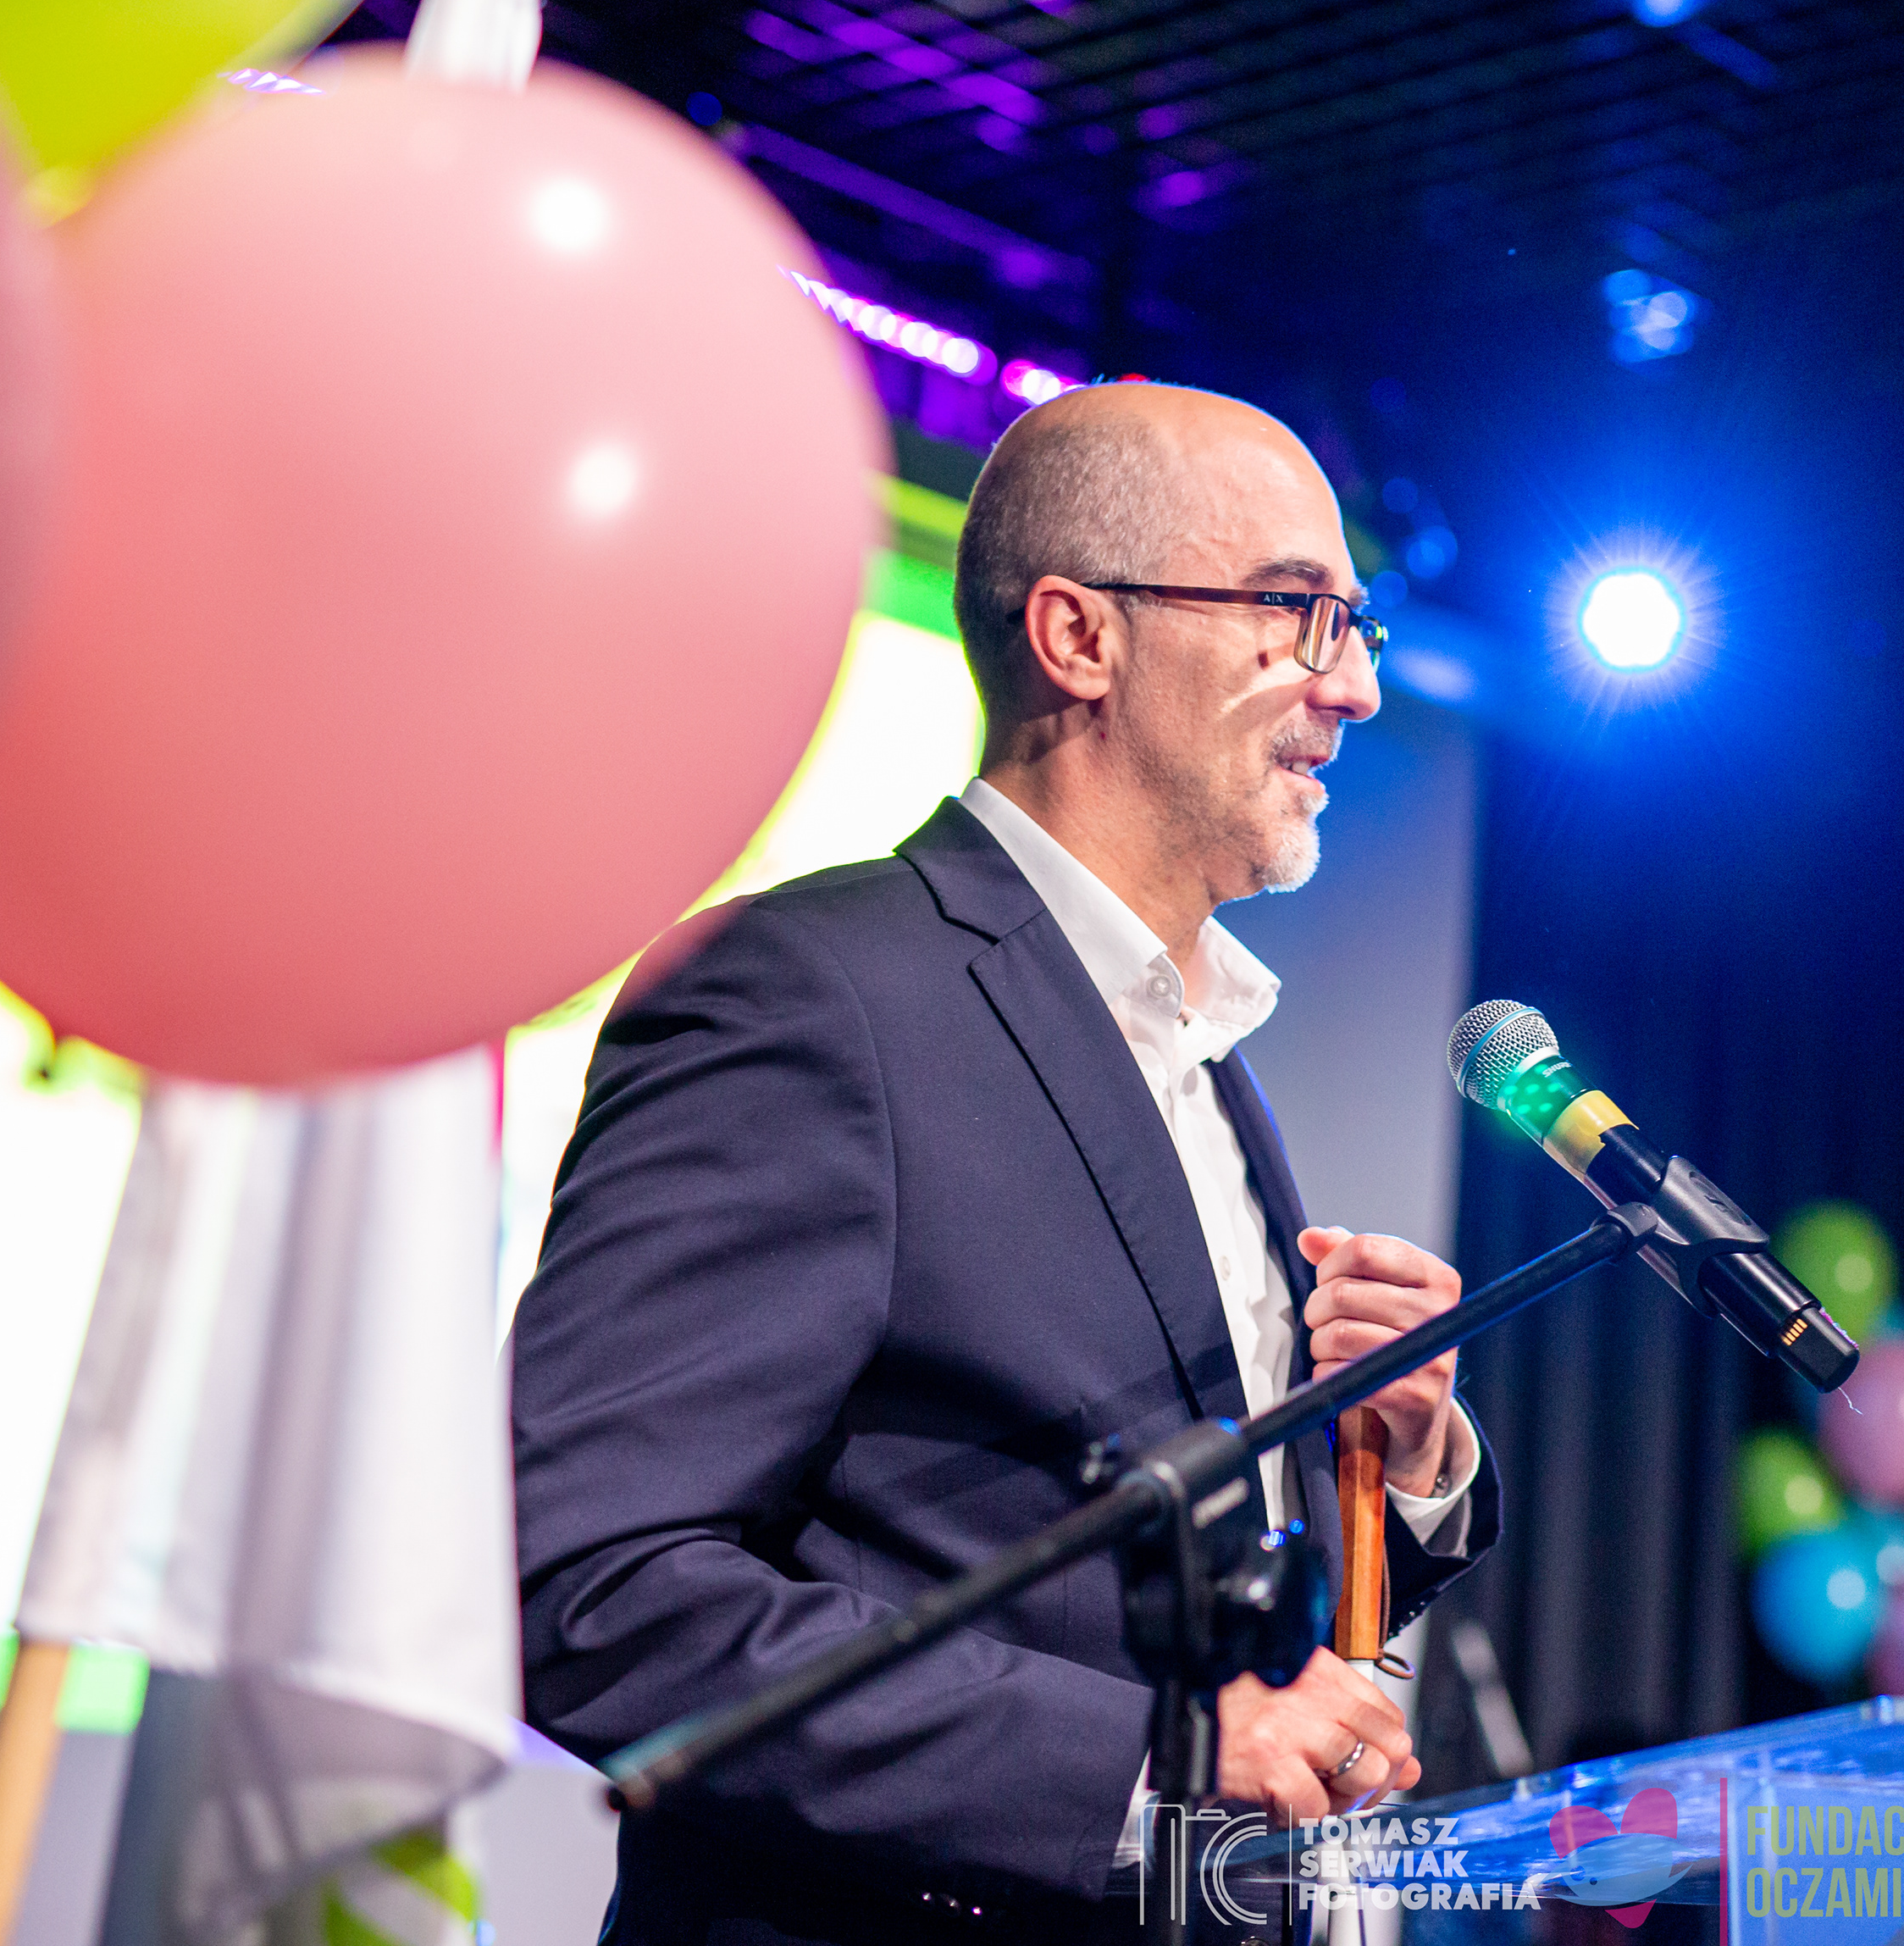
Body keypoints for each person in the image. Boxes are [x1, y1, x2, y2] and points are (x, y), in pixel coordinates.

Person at [511, 382, 1500, 1941]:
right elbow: (586, 1585)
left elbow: (1130, 1578)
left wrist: (1401, 1464)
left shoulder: (1197, 1052)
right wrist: (1153, 1761)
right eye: (1295, 611)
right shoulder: (812, 993)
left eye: (1355, 623)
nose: (1357, 685)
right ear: (1080, 637)